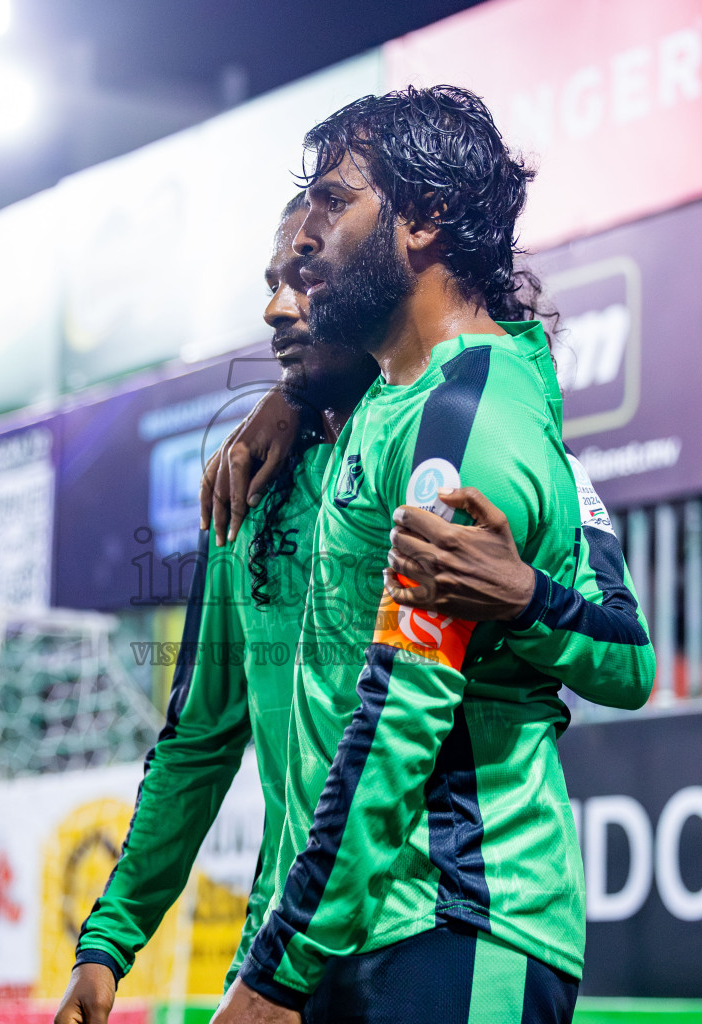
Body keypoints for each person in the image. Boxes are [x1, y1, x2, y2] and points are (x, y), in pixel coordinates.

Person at [55, 185, 651, 1024]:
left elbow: (628, 661)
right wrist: (109, 943)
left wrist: (524, 598)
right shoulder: (249, 495)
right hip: (297, 937)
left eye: (309, 274)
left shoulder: (486, 436)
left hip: (463, 912)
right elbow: (196, 740)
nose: (278, 307)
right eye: (277, 278)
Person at [208, 86, 653, 1024]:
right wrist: (288, 402)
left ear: (424, 221)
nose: (302, 238)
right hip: (362, 916)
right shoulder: (393, 404)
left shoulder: (465, 418)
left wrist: (276, 968)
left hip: (458, 916)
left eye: (335, 200)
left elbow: (400, 715)